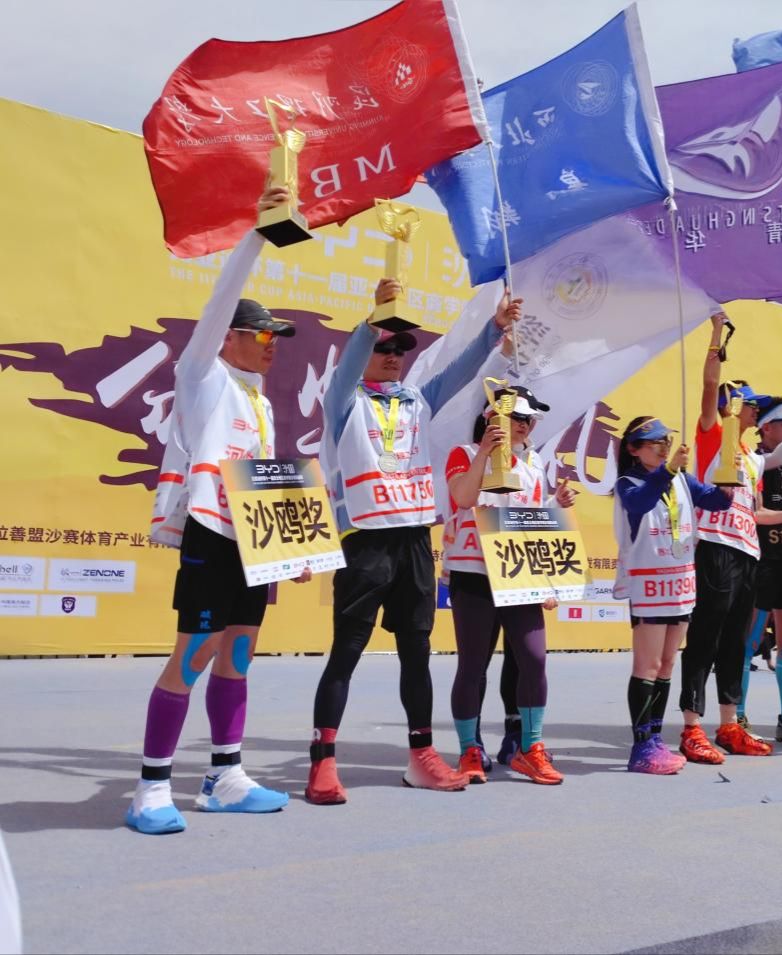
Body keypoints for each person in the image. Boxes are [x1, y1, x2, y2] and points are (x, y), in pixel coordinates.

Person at [127, 185, 311, 835]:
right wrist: (259, 234)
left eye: (277, 336)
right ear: (230, 337)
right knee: (194, 653)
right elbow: (216, 304)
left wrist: (292, 547)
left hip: (252, 545)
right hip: (210, 534)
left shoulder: (259, 400)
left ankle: (224, 777)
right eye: (264, 334)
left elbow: (263, 483)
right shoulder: (202, 375)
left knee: (239, 654)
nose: (273, 344)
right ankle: (151, 787)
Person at [305, 281, 520, 803]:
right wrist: (374, 320)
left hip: (415, 544)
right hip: (365, 542)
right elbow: (348, 367)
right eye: (385, 347)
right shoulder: (345, 402)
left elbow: (463, 371)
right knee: (347, 652)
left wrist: (495, 328)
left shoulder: (417, 401)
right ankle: (322, 762)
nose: (395, 355)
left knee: (416, 654)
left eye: (402, 349)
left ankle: (421, 757)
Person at [679, 314, 782, 763]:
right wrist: (715, 337)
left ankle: (729, 724)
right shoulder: (714, 436)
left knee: (736, 641)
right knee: (705, 637)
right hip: (715, 547)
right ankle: (691, 727)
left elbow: (762, 492)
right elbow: (710, 387)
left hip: (748, 551)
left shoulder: (750, 455)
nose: (754, 410)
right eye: (748, 402)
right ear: (732, 406)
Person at [443, 385, 576, 784]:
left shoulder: (534, 462)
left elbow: (531, 521)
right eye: (517, 417)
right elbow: (464, 498)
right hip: (473, 572)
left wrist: (555, 505)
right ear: (492, 417)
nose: (525, 425)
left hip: (520, 574)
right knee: (473, 665)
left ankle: (529, 748)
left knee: (533, 659)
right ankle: (469, 749)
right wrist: (485, 452)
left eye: (530, 419)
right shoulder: (463, 453)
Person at [614, 417, 732, 773]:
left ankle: (654, 738)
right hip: (648, 584)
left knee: (667, 663)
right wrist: (667, 470)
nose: (663, 447)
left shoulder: (681, 477)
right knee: (647, 665)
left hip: (680, 581)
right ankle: (640, 747)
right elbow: (640, 503)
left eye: (666, 441)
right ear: (634, 449)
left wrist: (730, 476)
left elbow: (717, 502)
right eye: (655, 443)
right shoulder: (628, 482)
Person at [738, 398, 782, 745]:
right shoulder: (755, 463)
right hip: (761, 562)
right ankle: (736, 716)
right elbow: (754, 512)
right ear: (766, 428)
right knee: (748, 643)